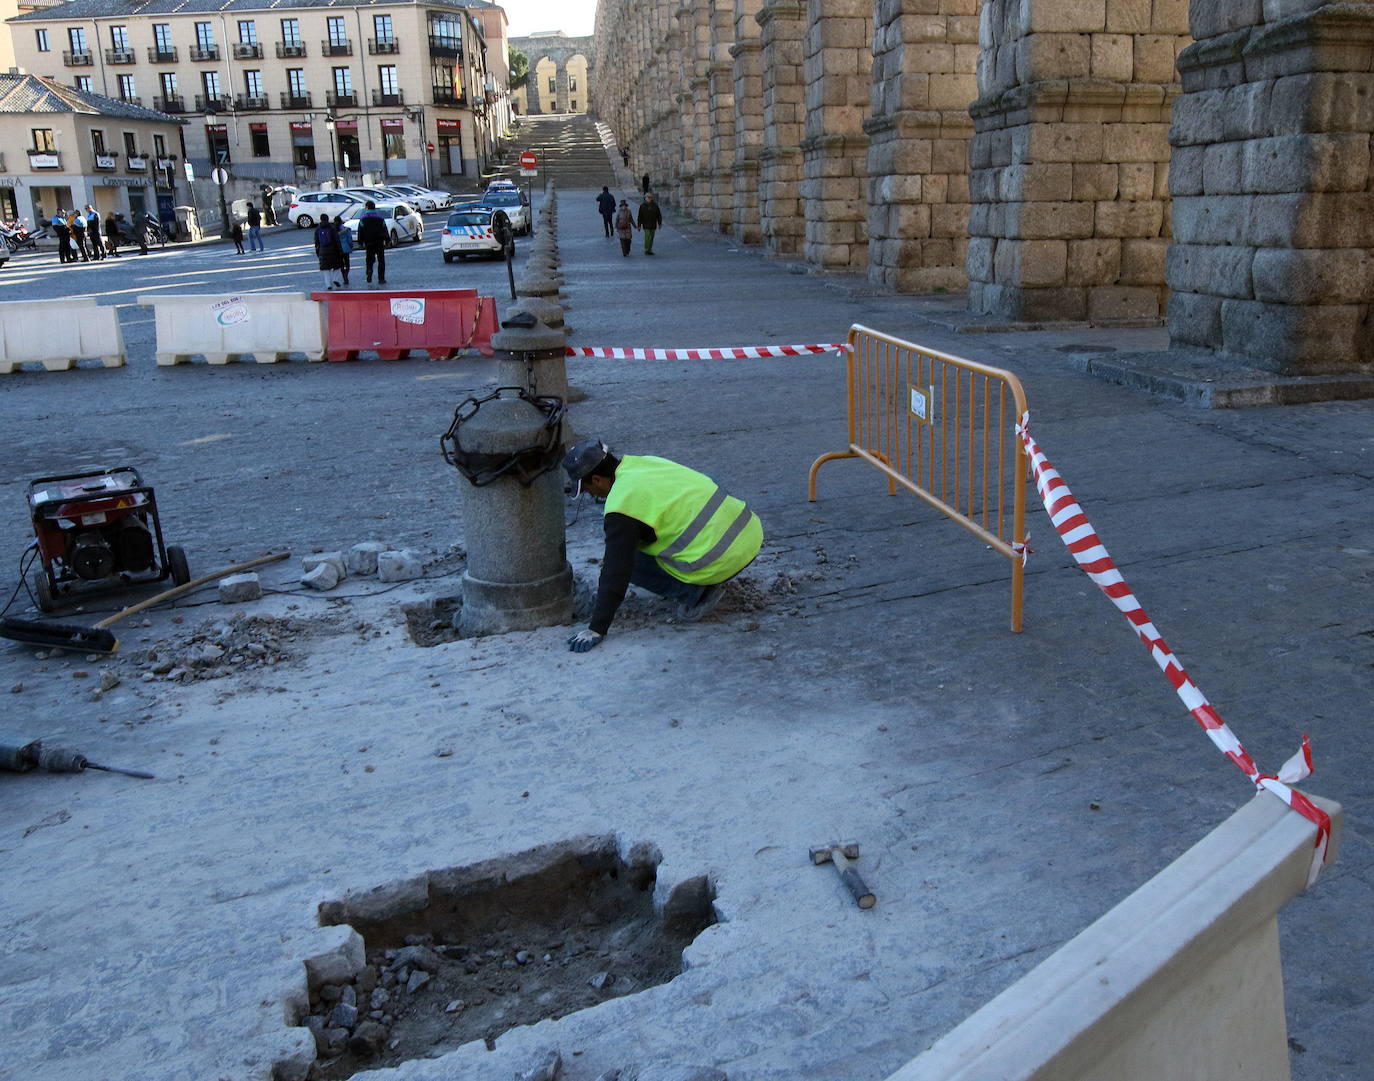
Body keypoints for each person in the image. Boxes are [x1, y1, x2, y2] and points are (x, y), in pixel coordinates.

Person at [562, 439, 764, 653]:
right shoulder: (645, 463)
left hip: (720, 558)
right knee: (639, 537)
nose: (591, 495)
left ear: (597, 479)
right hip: (749, 534)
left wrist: (597, 628)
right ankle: (701, 573)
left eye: (587, 489)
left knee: (627, 558)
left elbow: (616, 571)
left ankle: (695, 594)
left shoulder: (622, 506)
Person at [356, 201, 388, 285]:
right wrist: (387, 240)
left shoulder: (363, 218)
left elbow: (360, 231)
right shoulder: (380, 218)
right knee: (381, 260)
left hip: (368, 242)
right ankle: (381, 278)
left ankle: (369, 271)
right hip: (379, 241)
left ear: (367, 207)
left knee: (369, 259)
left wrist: (360, 242)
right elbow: (385, 229)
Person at [337, 220, 354, 286]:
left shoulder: (334, 230)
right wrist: (351, 246)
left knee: (341, 264)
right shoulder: (346, 229)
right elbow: (349, 239)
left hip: (338, 249)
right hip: (346, 248)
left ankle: (344, 276)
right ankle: (346, 274)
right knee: (347, 263)